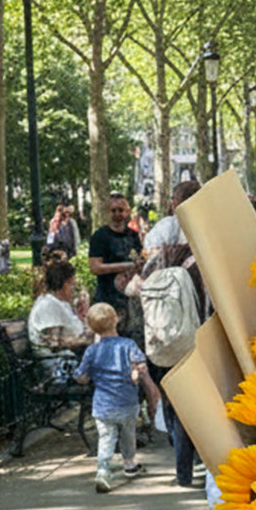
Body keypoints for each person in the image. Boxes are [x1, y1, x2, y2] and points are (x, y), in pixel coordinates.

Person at [140, 242, 207, 488]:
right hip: (191, 344)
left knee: (174, 407)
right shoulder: (198, 262)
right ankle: (200, 462)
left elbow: (131, 288)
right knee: (195, 407)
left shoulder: (157, 261)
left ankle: (183, 472)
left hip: (161, 345)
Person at [74, 302, 158, 493]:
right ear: (116, 320)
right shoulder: (128, 345)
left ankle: (103, 469)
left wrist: (85, 377)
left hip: (102, 405)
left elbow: (81, 376)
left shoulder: (92, 351)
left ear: (92, 327)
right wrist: (138, 376)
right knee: (128, 434)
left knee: (106, 437)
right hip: (127, 402)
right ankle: (129, 463)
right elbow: (141, 366)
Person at [87, 194, 143, 331]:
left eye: (121, 210)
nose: (117, 214)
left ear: (128, 212)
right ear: (108, 212)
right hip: (107, 297)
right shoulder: (100, 236)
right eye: (113, 210)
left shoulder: (133, 236)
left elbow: (138, 258)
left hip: (129, 298)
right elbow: (95, 267)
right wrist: (126, 266)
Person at [28, 258, 91, 369]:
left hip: (70, 358)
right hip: (58, 364)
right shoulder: (47, 305)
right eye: (72, 284)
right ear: (63, 284)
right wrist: (86, 341)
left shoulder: (61, 303)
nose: (74, 289)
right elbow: (54, 344)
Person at [142, 180, 201, 256]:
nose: (171, 202)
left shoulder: (166, 225)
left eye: (173, 198)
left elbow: (151, 250)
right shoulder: (167, 225)